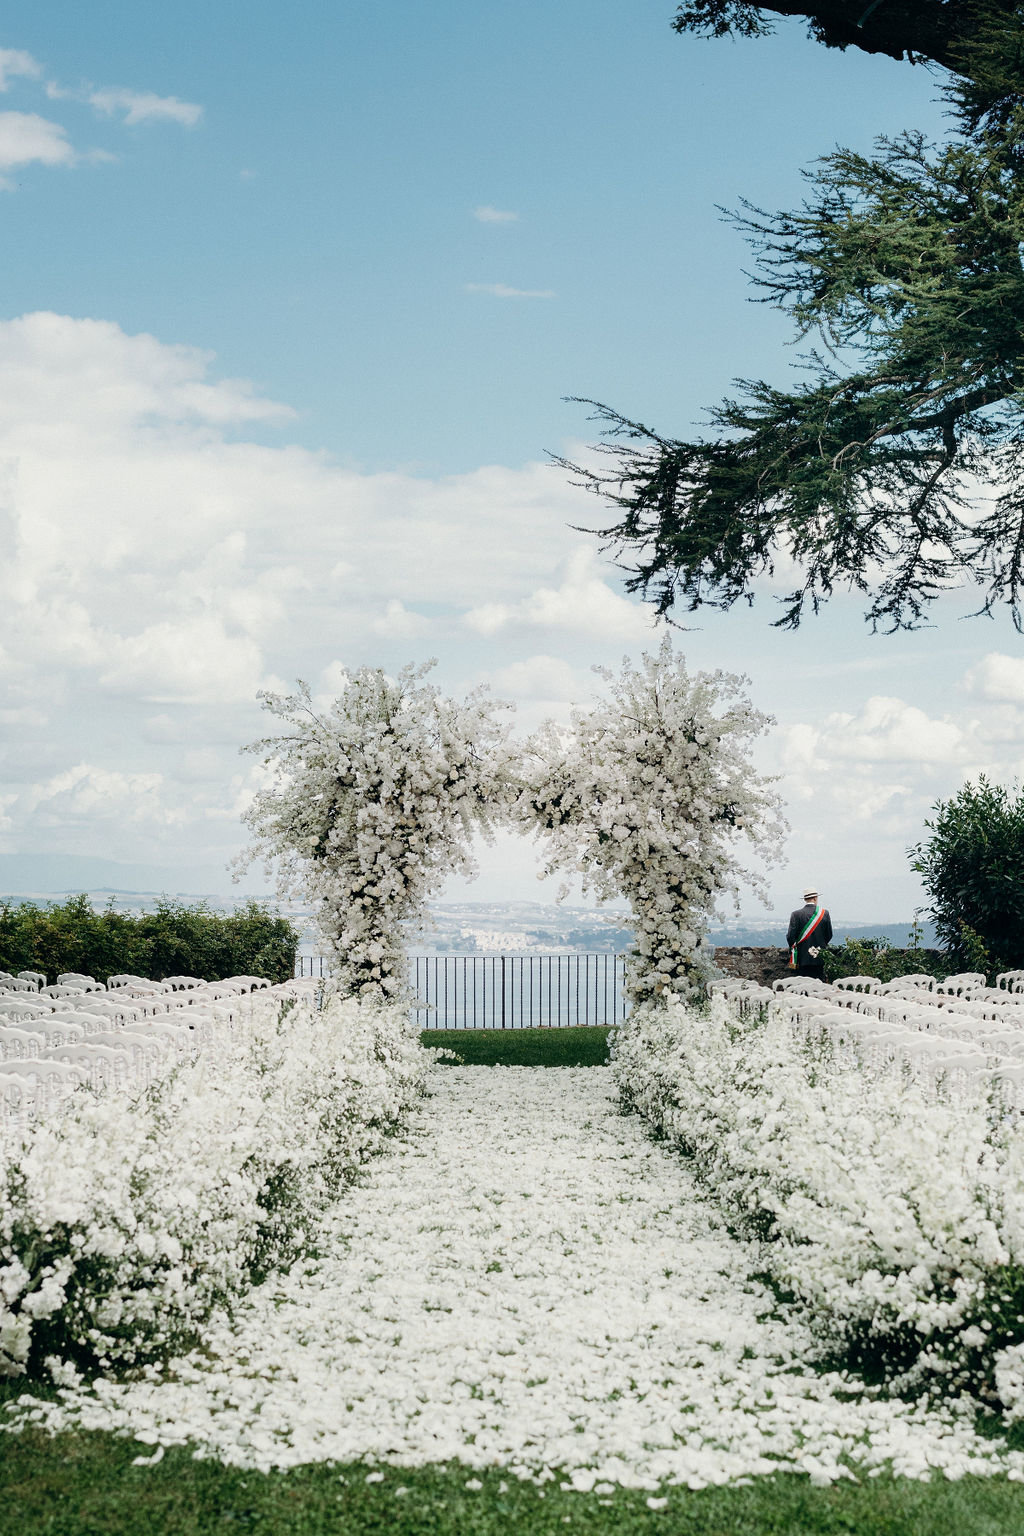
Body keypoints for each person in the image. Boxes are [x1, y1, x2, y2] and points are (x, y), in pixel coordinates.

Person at [787, 887, 832, 979]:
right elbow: (829, 934)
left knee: (802, 984)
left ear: (804, 899)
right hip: (820, 955)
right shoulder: (824, 913)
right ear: (815, 898)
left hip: (802, 956)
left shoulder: (796, 914)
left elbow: (791, 937)